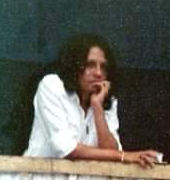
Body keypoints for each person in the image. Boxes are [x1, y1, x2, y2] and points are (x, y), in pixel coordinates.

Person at [24, 34, 160, 168]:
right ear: (75, 66)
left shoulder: (106, 99)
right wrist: (124, 156)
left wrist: (97, 107)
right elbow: (66, 148)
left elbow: (111, 150)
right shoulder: (52, 85)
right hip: (38, 179)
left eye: (104, 67)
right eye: (90, 65)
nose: (99, 73)